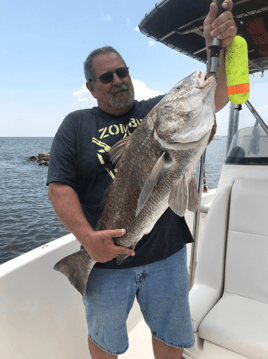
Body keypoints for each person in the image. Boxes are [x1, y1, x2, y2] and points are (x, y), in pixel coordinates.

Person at [47, 2, 237, 358]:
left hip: (166, 256)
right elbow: (59, 187)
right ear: (91, 87)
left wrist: (216, 49)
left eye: (123, 72)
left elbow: (214, 96)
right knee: (105, 341)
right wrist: (88, 242)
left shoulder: (154, 111)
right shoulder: (75, 125)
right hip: (105, 261)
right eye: (107, 77)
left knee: (170, 336)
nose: (118, 80)